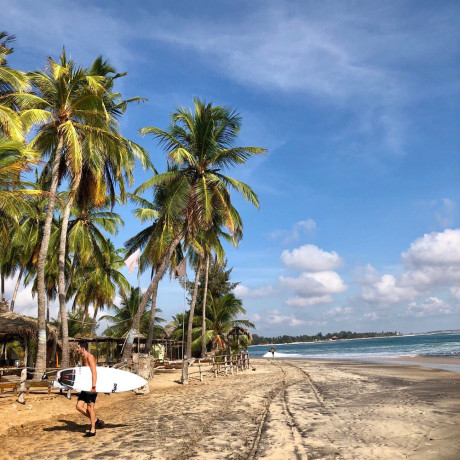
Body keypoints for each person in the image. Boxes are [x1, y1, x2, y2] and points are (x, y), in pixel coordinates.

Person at [75, 341, 104, 437]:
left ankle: (93, 430)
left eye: (78, 347)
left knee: (90, 407)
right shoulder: (83, 358)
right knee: (79, 406)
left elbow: (94, 372)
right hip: (85, 386)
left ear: (83, 348)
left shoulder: (89, 357)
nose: (77, 349)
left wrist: (94, 386)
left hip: (92, 386)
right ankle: (95, 420)